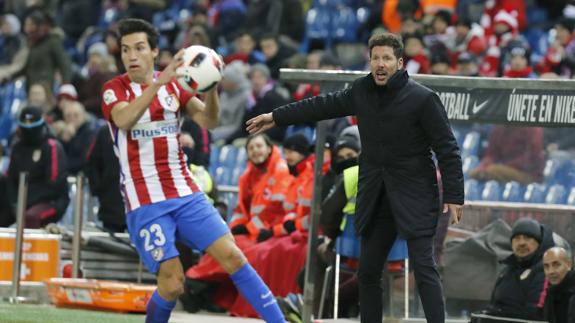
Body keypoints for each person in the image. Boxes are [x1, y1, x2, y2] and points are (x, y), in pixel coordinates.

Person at [247, 32, 464, 323]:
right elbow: (321, 105)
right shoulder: (361, 91)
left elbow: (447, 149)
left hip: (415, 194)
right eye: (375, 58)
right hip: (376, 195)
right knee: (368, 272)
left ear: (400, 63)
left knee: (424, 268)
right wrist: (277, 116)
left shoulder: (423, 99)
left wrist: (453, 195)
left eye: (387, 58)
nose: (380, 64)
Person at [100, 18, 284, 323]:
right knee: (172, 285)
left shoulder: (175, 85)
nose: (131, 56)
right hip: (146, 201)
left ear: (154, 52)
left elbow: (210, 122)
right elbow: (124, 120)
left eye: (139, 48)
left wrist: (210, 87)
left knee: (234, 257)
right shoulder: (114, 89)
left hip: (185, 191)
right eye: (125, 49)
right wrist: (157, 82)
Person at [6, 106, 70, 228]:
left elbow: (55, 184)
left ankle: (31, 247)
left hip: (52, 201)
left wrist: (26, 202)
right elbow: (10, 179)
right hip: (21, 200)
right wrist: (15, 203)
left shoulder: (52, 146)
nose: (28, 131)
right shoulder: (17, 148)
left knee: (30, 217)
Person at [482, 217, 553, 320]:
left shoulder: (545, 269)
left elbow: (535, 313)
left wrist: (497, 314)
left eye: (527, 238)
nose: (521, 243)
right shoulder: (507, 270)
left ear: (538, 242)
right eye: (517, 238)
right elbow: (493, 304)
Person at [543, 247, 575, 323]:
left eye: (556, 265)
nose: (551, 271)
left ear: (569, 265)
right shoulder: (551, 292)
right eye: (546, 266)